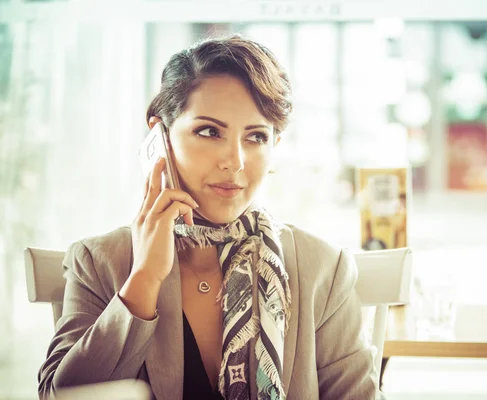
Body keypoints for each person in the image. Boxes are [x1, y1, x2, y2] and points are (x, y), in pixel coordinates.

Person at [38, 35, 378, 400]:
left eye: (256, 137)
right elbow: (59, 396)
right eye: (209, 131)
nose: (234, 161)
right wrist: (145, 278)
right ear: (160, 137)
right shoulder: (100, 261)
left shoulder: (324, 269)